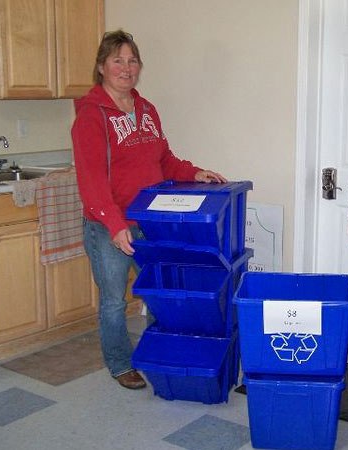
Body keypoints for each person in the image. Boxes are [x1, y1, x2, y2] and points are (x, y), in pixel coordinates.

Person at [72, 30, 226, 390]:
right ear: (101, 67)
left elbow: (164, 160)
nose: (126, 68)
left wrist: (194, 172)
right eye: (117, 60)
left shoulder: (146, 109)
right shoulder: (91, 117)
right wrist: (114, 223)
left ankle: (163, 352)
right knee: (114, 300)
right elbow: (91, 180)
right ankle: (120, 364)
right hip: (109, 225)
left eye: (132, 60)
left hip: (150, 223)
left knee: (161, 292)